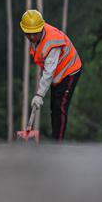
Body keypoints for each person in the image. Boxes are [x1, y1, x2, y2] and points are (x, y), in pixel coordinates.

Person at [20, 10, 82, 141]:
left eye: (34, 34)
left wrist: (39, 95)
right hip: (57, 73)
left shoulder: (52, 42)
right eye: (28, 34)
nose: (31, 37)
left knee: (60, 107)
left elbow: (49, 71)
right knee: (54, 107)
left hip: (69, 70)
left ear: (41, 28)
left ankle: (57, 143)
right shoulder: (36, 37)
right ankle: (55, 140)